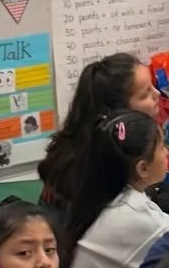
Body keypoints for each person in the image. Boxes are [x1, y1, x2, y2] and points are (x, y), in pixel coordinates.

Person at [60, 110, 169, 268]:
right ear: (142, 169)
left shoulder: (101, 190)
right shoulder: (134, 215)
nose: (167, 153)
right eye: (162, 147)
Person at [38, 53, 162, 218]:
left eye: (152, 86)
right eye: (145, 94)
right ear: (118, 112)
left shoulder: (90, 138)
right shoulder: (100, 166)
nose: (157, 94)